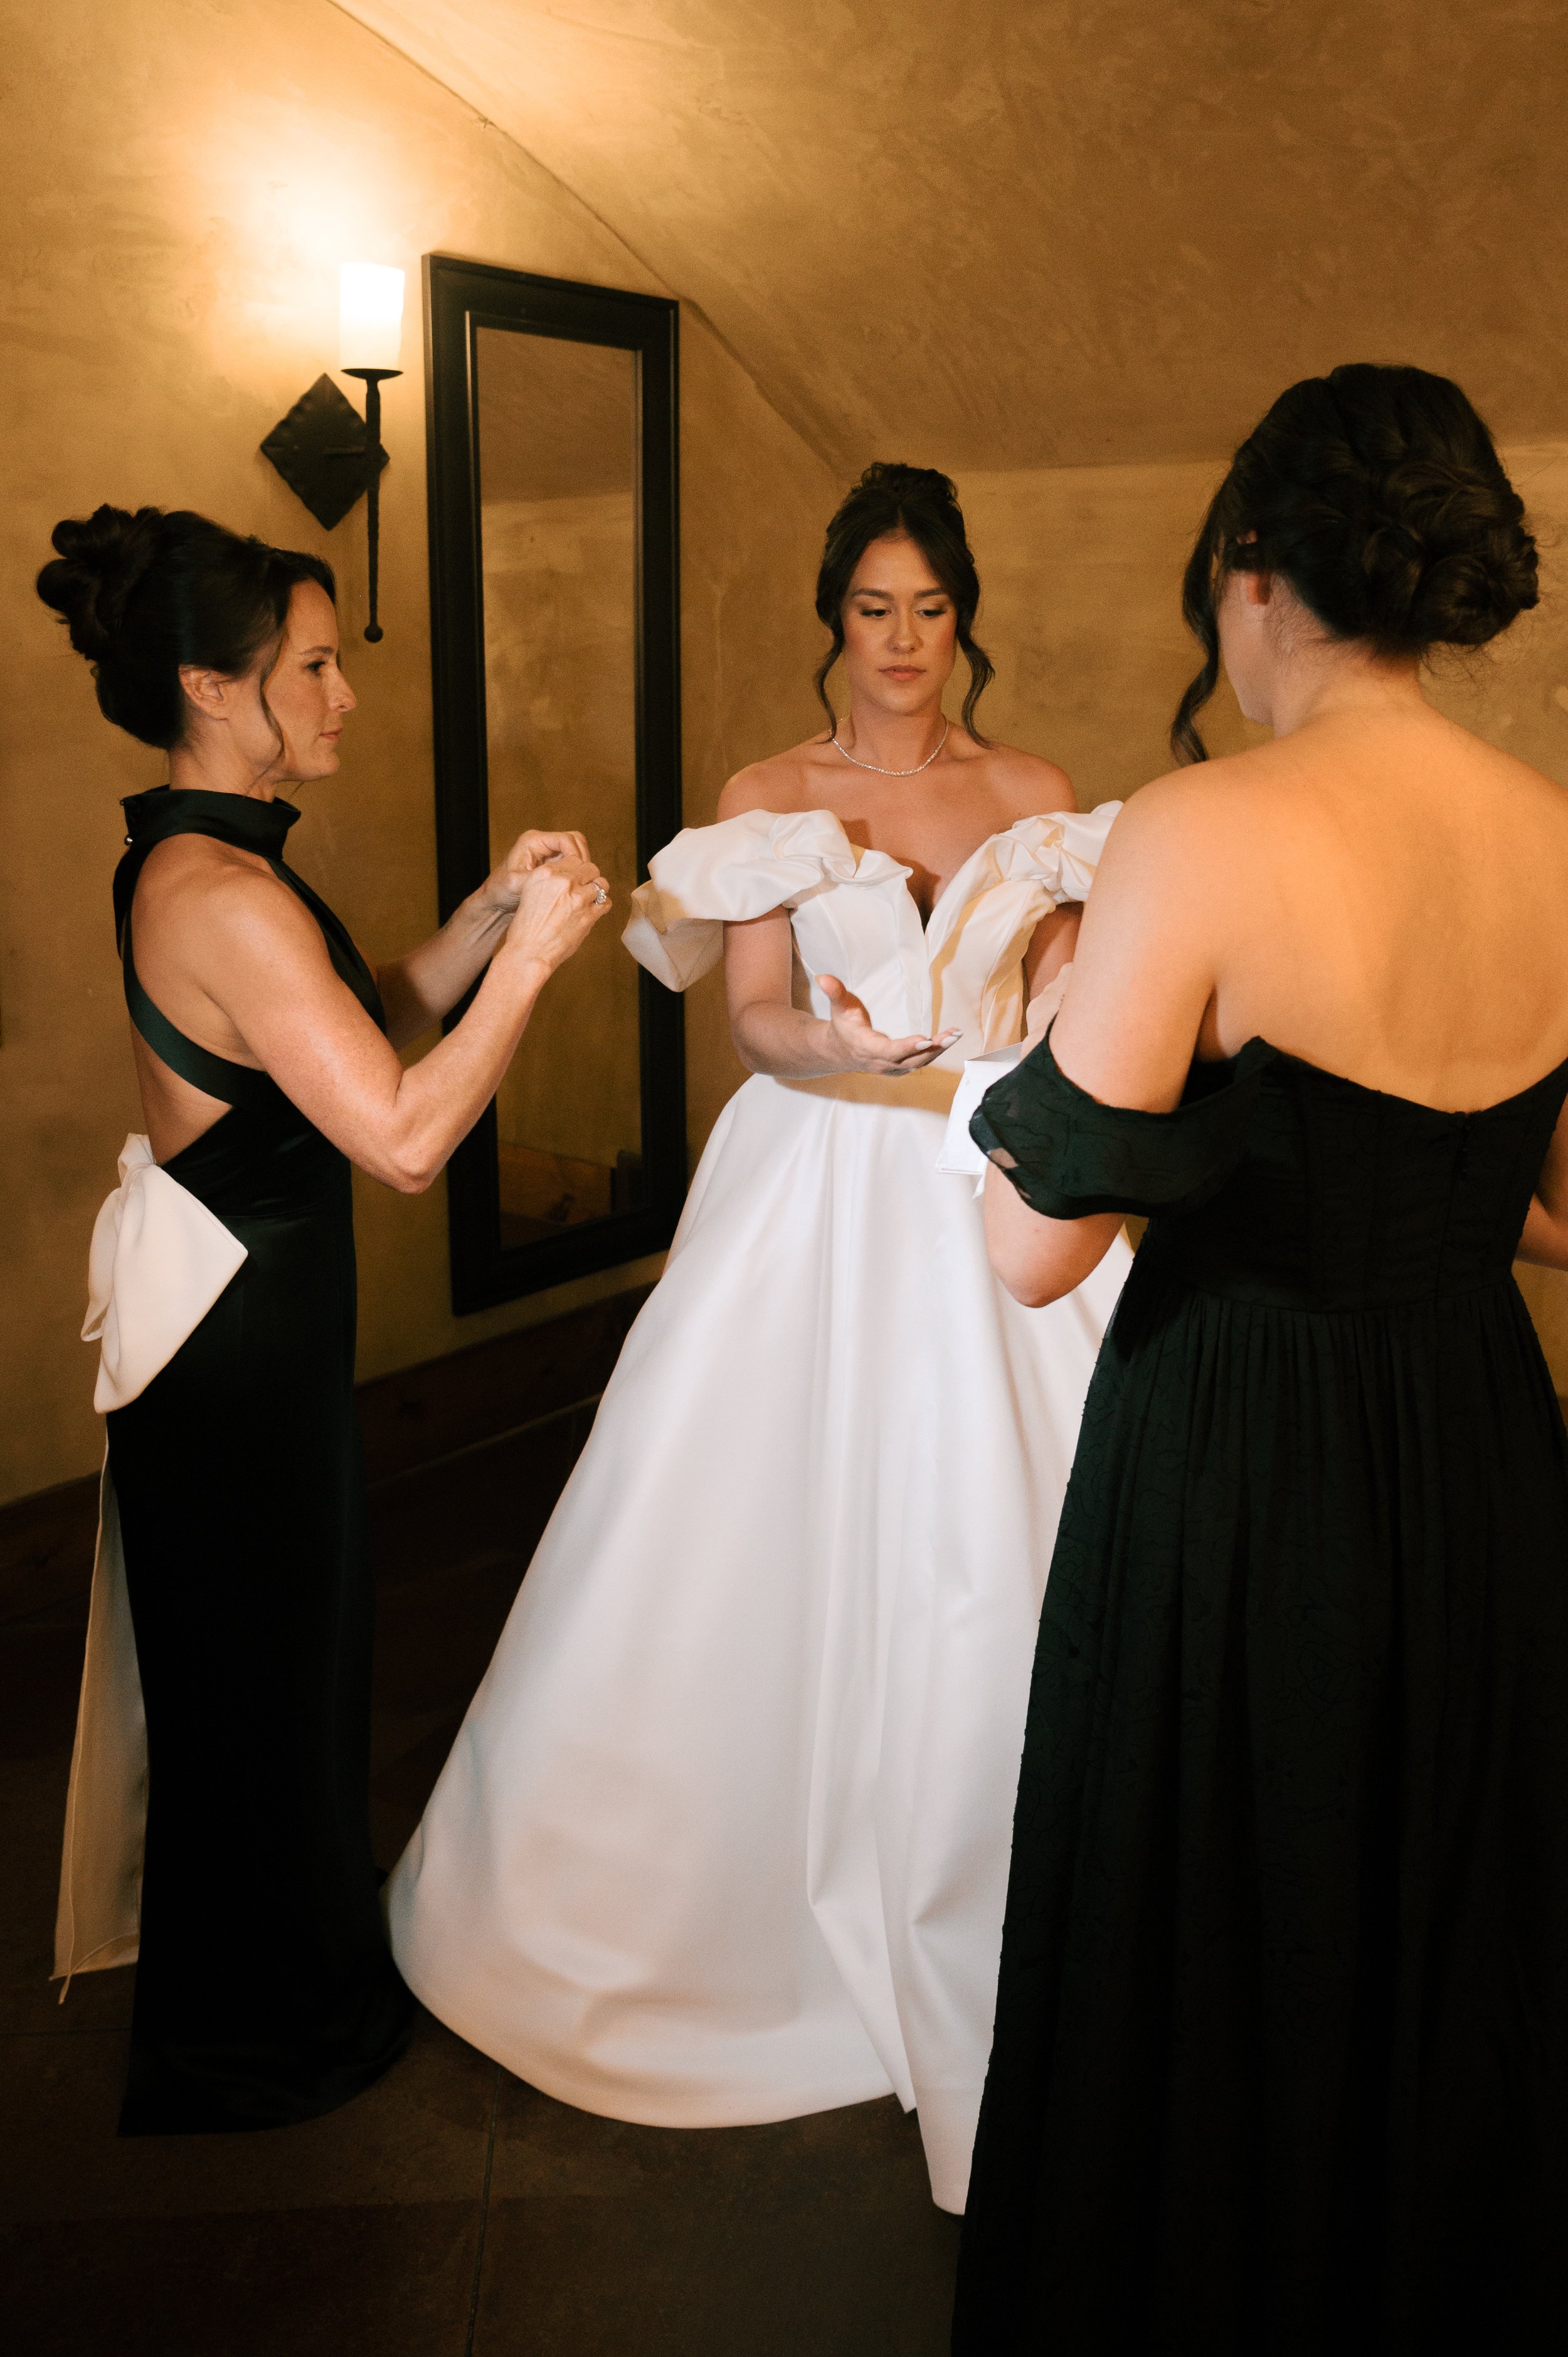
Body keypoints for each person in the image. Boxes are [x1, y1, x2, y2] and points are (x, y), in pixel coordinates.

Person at [388, 462, 1130, 2211]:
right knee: (746, 1519)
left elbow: (1069, 976)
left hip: (991, 1175)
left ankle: (1009, 1883)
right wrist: (846, 1054)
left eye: (929, 609)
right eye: (873, 610)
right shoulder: (767, 801)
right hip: (823, 1172)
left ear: (963, 620)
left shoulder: (1032, 792)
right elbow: (752, 1019)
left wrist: (1033, 1018)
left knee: (1001, 1535)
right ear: (832, 621)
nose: (902, 641)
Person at [952, 365, 1568, 2350]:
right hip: (1478, 1432)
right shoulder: (1552, 835)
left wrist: (1047, 1024)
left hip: (1242, 1443)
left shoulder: (1202, 827)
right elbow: (1545, 1203)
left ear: (1249, 573)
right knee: (1443, 1897)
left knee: (1234, 1898)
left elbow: (1031, 1251)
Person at [38, 504, 610, 2134]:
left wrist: (488, 916)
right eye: (311, 666)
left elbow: (361, 1035)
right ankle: (257, 2042)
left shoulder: (215, 864)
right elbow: (405, 1138)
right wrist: (537, 966)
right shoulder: (219, 892)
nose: (345, 691)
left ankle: (282, 1990)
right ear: (213, 689)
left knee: (281, 1675)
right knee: (259, 1684)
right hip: (235, 1360)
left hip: (251, 1338)